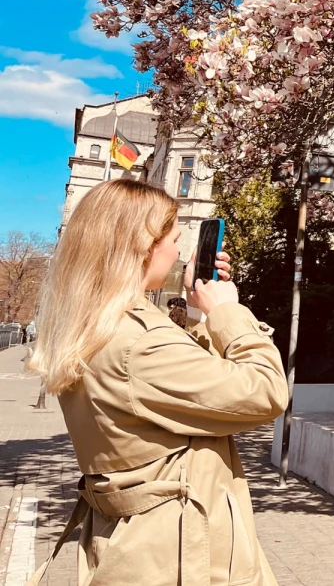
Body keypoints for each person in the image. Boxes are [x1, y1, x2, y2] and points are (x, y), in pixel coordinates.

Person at [25, 179, 288, 585]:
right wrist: (228, 314)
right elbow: (266, 392)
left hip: (144, 547)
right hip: (180, 558)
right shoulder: (141, 344)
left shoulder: (99, 328)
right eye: (174, 238)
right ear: (142, 245)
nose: (180, 252)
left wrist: (201, 314)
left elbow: (188, 388)